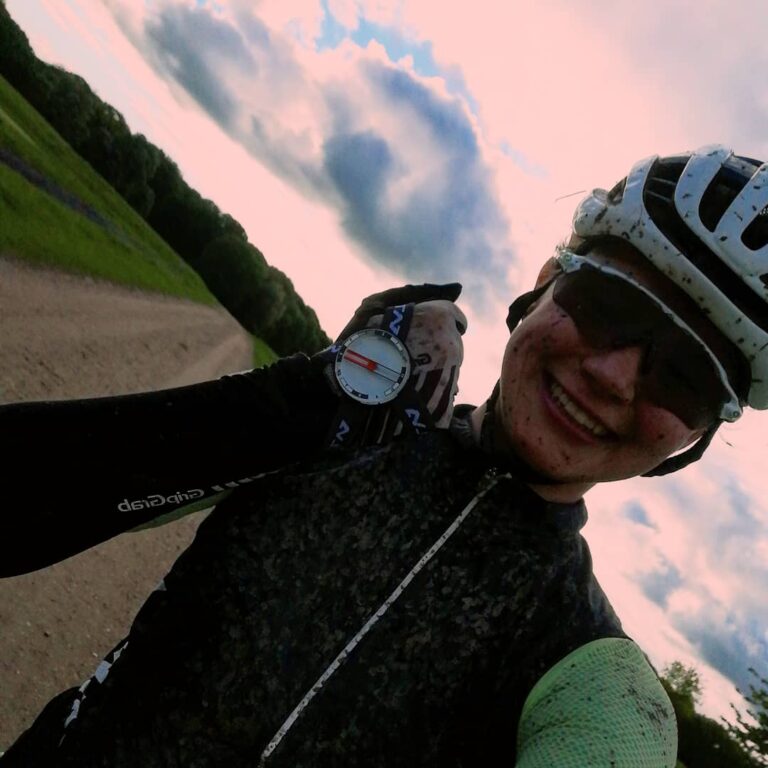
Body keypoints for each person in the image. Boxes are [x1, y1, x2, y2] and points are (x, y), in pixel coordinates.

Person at [0, 144, 765, 767]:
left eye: (685, 378)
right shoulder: (342, 427)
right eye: (608, 306)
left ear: (692, 437)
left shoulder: (596, 684)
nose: (615, 376)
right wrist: (300, 402)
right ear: (545, 286)